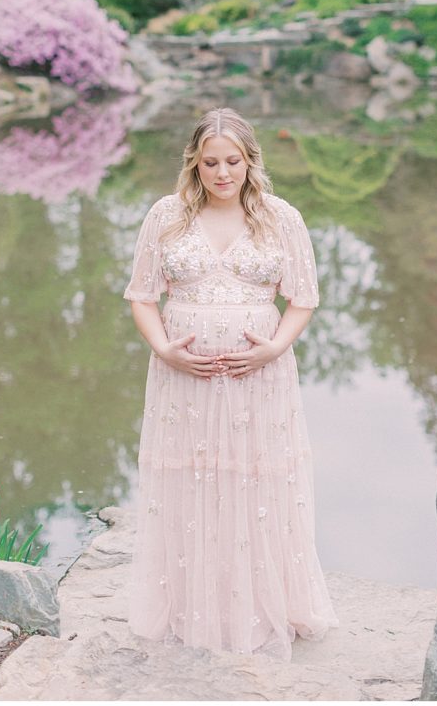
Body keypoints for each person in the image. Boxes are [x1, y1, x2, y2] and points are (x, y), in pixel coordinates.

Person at [123, 107, 339, 661]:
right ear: (194, 163)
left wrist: (274, 347)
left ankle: (260, 604)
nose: (222, 173)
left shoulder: (280, 217)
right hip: (183, 381)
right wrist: (164, 350)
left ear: (250, 161)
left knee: (256, 484)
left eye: (233, 161)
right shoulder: (166, 216)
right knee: (191, 481)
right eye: (211, 162)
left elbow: (304, 299)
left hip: (259, 377)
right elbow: (142, 296)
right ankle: (190, 605)